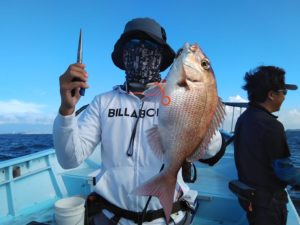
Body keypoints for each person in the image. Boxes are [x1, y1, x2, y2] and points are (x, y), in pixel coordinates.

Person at [53, 17, 226, 225]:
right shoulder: (103, 102)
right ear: (124, 54)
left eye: (150, 46)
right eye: (133, 45)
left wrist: (203, 104)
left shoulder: (174, 98)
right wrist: (67, 109)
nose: (141, 51)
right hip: (110, 217)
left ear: (161, 57)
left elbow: (211, 153)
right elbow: (69, 159)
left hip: (167, 219)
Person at [233, 65, 299, 225]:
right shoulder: (272, 126)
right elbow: (285, 172)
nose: (284, 97)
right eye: (284, 92)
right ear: (271, 95)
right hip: (268, 206)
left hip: (250, 199)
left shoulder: (244, 119)